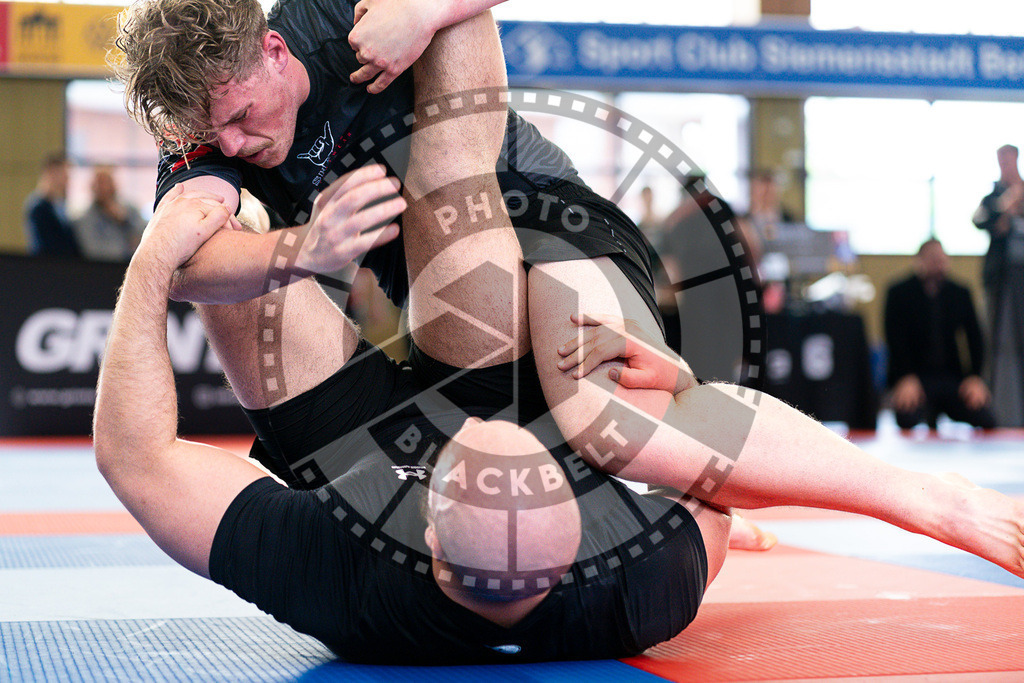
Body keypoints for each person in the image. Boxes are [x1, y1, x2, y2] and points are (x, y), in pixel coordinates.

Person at [113, 0, 1024, 586]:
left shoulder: (333, 15)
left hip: (551, 224)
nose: (234, 144)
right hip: (454, 303)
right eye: (211, 133)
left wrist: (426, 10)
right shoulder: (204, 143)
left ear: (273, 50)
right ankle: (679, 495)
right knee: (245, 281)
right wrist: (301, 245)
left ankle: (920, 496)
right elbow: (184, 257)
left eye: (240, 115)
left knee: (603, 410)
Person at [96, 14, 735, 662]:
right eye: (510, 440)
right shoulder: (639, 575)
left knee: (234, 265)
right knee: (611, 391)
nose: (229, 145)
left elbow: (136, 457)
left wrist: (161, 261)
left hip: (385, 412)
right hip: (487, 312)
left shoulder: (340, 573)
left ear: (430, 529)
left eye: (238, 116)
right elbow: (713, 509)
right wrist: (427, 10)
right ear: (572, 489)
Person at [884, 238, 995, 431]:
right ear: (919, 261)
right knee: (906, 418)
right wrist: (904, 377)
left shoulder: (959, 292)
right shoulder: (899, 293)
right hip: (915, 378)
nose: (938, 263)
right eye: (933, 258)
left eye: (942, 258)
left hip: (952, 378)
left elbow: (975, 338)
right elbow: (894, 339)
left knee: (986, 418)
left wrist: (975, 377)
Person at [973, 144, 1024, 427]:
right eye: (1001, 159)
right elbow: (980, 221)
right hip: (1001, 283)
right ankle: (1000, 412)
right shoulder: (993, 197)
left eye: (1009, 158)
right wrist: (1005, 208)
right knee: (999, 345)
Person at [74, 165, 147, 262]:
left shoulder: (130, 210)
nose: (103, 188)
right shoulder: (85, 219)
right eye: (99, 182)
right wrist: (127, 248)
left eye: (106, 181)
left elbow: (145, 240)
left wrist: (124, 221)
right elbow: (93, 250)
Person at [23, 152, 81, 257]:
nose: (67, 180)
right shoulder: (37, 207)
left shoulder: (60, 205)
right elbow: (48, 245)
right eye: (64, 175)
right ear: (51, 173)